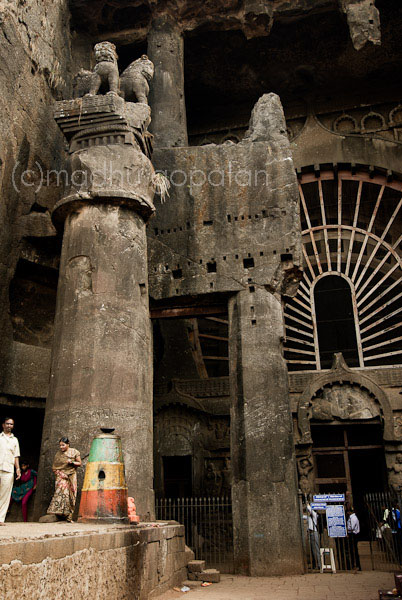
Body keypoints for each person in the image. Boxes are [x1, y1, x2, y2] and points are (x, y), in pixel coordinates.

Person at [47, 437, 81, 523]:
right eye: (60, 445)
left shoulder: (74, 452)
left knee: (72, 494)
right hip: (61, 476)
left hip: (71, 475)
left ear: (68, 444)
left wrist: (72, 462)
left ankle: (69, 516)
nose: (61, 447)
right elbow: (54, 467)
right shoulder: (58, 454)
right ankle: (59, 513)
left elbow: (79, 463)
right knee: (62, 492)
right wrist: (61, 474)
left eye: (63, 445)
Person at [0, 417, 21, 525]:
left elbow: (16, 456)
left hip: (8, 469)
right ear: (3, 425)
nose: (9, 426)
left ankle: (0, 519)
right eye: (7, 423)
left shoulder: (15, 440)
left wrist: (18, 469)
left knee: (5, 494)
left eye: (11, 424)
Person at [307, 503, 321, 570]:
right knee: (313, 550)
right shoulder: (309, 517)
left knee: (317, 549)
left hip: (314, 532)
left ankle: (319, 564)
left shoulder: (315, 515)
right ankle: (316, 564)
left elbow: (310, 510)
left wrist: (307, 504)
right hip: (310, 533)